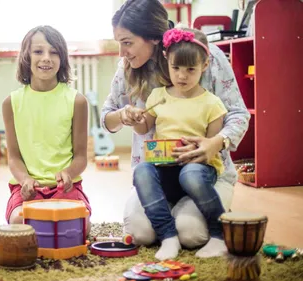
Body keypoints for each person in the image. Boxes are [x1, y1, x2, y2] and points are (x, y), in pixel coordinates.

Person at [101, 0, 250, 259]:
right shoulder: (128, 68)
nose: (121, 52)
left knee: (191, 233)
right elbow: (108, 117)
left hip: (203, 174)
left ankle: (203, 222)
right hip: (158, 174)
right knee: (141, 233)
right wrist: (123, 115)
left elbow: (238, 113)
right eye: (118, 43)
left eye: (127, 42)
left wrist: (216, 142)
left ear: (154, 39)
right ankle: (169, 228)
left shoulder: (205, 55)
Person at [130, 27, 228, 260]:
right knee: (142, 170)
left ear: (204, 66)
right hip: (164, 169)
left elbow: (211, 149)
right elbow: (144, 128)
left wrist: (197, 151)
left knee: (190, 175)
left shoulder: (212, 103)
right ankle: (168, 236)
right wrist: (136, 119)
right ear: (167, 62)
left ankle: (220, 234)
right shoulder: (158, 96)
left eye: (190, 69)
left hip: (198, 171)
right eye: (176, 68)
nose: (182, 76)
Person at [2, 25, 91, 231]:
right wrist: (25, 180)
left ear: (62, 59)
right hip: (27, 189)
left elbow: (80, 157)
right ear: (26, 56)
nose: (46, 58)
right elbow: (13, 157)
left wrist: (68, 173)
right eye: (38, 51)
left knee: (81, 225)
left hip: (66, 188)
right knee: (19, 222)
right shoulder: (11, 103)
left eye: (54, 52)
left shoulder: (77, 101)